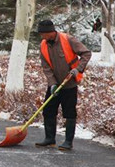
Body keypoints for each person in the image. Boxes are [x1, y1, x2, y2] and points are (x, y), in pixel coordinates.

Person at [36, 19, 91, 151]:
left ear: (50, 32)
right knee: (48, 109)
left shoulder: (68, 39)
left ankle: (68, 141)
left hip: (70, 82)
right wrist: (52, 84)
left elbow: (86, 53)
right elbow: (46, 67)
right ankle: (50, 138)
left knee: (69, 112)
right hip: (55, 83)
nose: (41, 37)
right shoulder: (43, 45)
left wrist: (78, 69)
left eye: (43, 34)